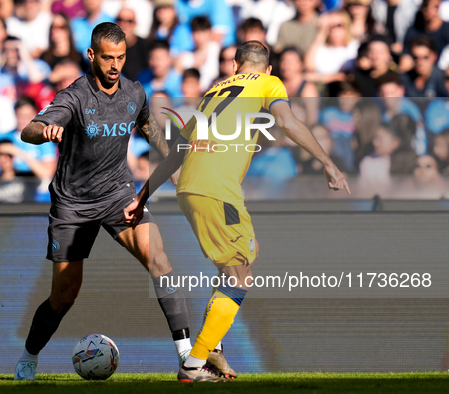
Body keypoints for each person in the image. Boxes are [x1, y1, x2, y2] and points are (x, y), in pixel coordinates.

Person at [121, 40, 350, 382]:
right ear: (268, 69)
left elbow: (175, 154)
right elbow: (287, 122)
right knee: (241, 275)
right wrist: (329, 163)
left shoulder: (212, 93)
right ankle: (194, 363)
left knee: (236, 265)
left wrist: (143, 196)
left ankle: (214, 347)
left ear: (234, 67)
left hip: (189, 189)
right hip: (217, 191)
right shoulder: (268, 83)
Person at [14, 22, 226, 382]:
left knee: (159, 260)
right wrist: (45, 131)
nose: (115, 65)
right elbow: (29, 129)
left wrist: (174, 164)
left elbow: (148, 128)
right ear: (92, 55)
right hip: (73, 205)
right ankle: (28, 358)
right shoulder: (75, 97)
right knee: (64, 296)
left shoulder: (134, 92)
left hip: (119, 195)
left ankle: (188, 360)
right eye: (108, 58)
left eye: (121, 58)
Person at [116, 7, 149, 81]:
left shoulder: (146, 47)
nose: (124, 24)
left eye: (129, 21)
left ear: (135, 24)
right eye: (120, 20)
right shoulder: (108, 48)